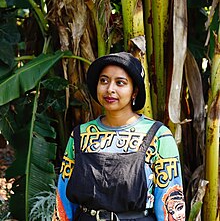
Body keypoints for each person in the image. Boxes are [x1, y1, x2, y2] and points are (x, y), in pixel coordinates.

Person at [53, 52, 185, 221]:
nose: (110, 89)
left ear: (134, 91)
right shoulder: (80, 135)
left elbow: (170, 201)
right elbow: (63, 203)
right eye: (104, 80)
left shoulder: (158, 136)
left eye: (120, 83)